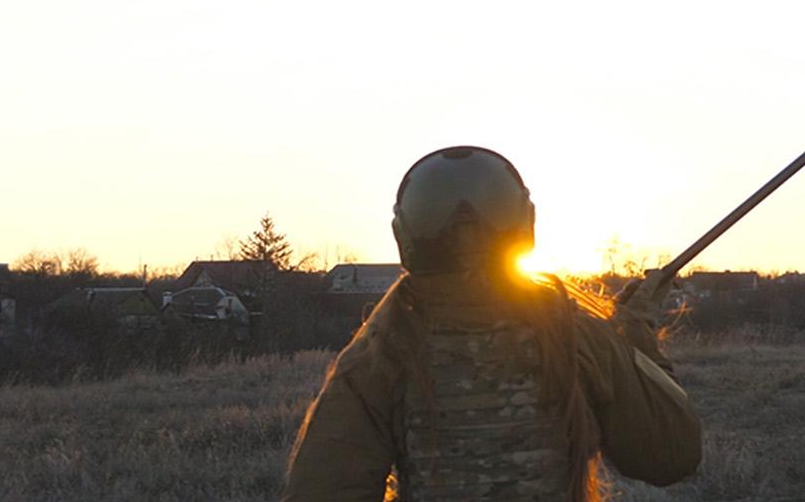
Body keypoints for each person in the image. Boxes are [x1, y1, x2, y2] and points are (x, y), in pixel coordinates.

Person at [282, 146, 703, 501]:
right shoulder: (579, 336)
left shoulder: (378, 353)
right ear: (524, 226)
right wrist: (636, 336)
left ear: (406, 237)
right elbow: (671, 455)